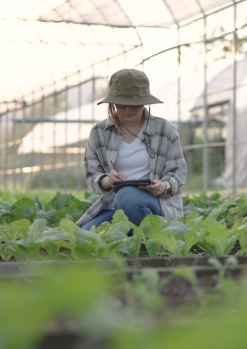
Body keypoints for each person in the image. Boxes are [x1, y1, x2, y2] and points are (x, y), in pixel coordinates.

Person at [77, 68, 187, 230]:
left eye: (135, 105)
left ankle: (152, 231)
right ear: (113, 103)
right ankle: (142, 234)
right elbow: (92, 174)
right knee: (85, 234)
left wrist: (162, 187)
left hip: (156, 203)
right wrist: (107, 181)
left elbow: (178, 172)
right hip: (113, 204)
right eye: (122, 105)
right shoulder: (99, 132)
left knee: (127, 196)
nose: (128, 110)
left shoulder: (164, 129)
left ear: (145, 102)